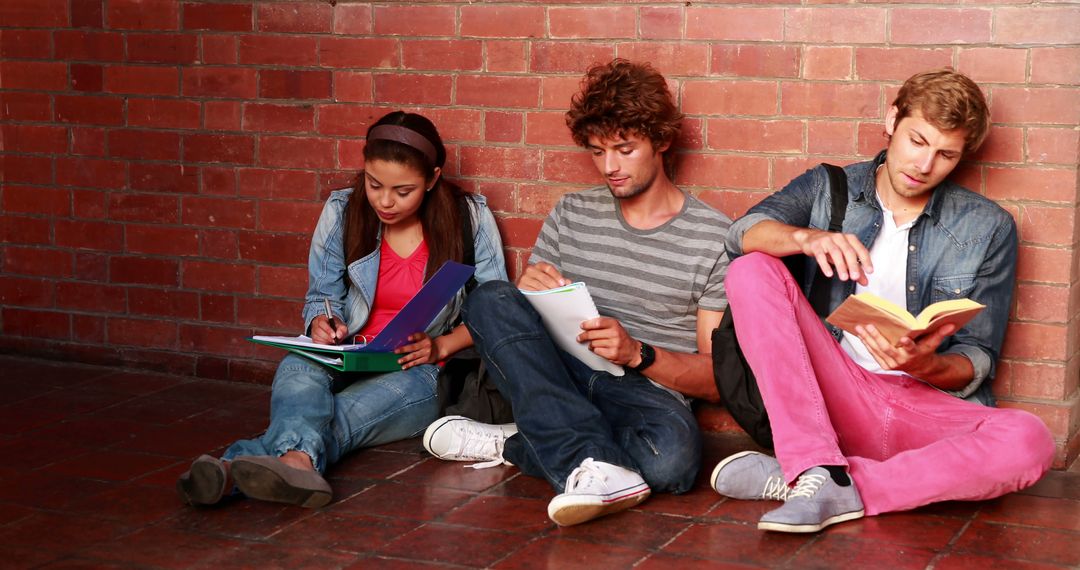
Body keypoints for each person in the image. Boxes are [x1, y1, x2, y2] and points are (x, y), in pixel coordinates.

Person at [709, 69, 1055, 533]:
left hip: (922, 405)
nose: (924, 164)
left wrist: (922, 364)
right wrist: (805, 238)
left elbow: (978, 357)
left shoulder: (987, 227)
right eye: (917, 140)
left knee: (1029, 441)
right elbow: (742, 232)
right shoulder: (828, 188)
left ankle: (821, 481)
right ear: (892, 120)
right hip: (835, 395)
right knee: (750, 268)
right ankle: (816, 462)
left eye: (945, 154)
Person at [422, 59, 732, 526]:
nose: (610, 167)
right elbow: (510, 322)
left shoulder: (713, 237)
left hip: (643, 392)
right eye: (596, 152)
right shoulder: (571, 213)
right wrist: (526, 293)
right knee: (492, 298)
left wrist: (636, 353)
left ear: (662, 141)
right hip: (560, 371)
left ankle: (521, 441)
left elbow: (715, 380)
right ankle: (583, 450)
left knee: (672, 463)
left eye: (624, 149)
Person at [176, 111, 507, 508]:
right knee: (296, 368)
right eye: (374, 184)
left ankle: (233, 467)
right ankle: (296, 463)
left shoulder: (468, 217)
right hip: (347, 354)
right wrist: (322, 322)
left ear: (433, 179)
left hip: (417, 370)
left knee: (342, 415)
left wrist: (441, 347)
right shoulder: (344, 210)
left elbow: (497, 307)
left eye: (403, 191)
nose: (385, 201)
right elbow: (320, 295)